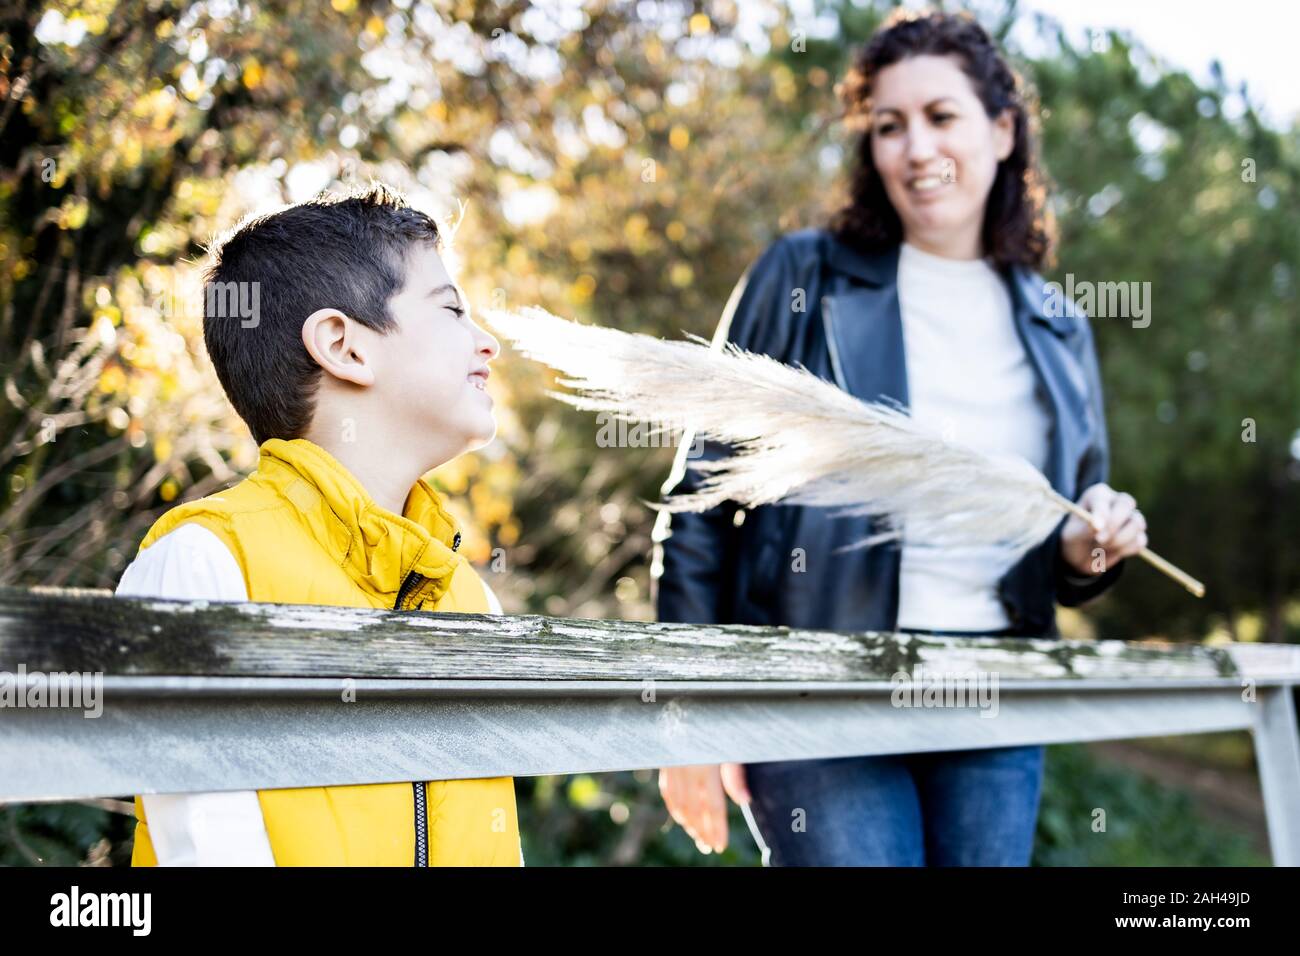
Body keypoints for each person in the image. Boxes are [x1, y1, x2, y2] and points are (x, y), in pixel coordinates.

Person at [651, 9, 1149, 866]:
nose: (917, 149)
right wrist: (686, 717)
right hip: (818, 689)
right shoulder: (800, 274)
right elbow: (699, 501)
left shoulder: (1060, 326)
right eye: (889, 125)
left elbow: (1065, 553)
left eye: (941, 116)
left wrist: (1084, 549)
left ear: (1003, 131)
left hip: (995, 694)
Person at [115, 183, 521, 866]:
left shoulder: (470, 597)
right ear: (344, 346)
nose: (489, 345)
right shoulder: (205, 565)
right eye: (452, 309)